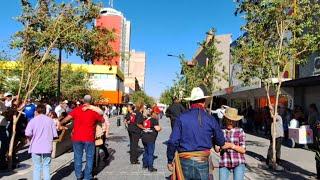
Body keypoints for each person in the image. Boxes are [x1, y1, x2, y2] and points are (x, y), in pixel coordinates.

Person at [167, 87, 225, 180]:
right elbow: (221, 141)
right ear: (204, 102)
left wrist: (170, 160)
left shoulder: (181, 118)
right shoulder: (210, 119)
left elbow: (173, 141)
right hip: (202, 161)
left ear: (190, 103)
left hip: (184, 161)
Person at [60, 95, 104, 180]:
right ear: (91, 101)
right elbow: (102, 120)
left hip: (77, 137)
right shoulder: (94, 112)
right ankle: (87, 176)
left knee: (77, 157)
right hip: (89, 137)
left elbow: (66, 119)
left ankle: (79, 175)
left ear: (83, 101)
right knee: (89, 157)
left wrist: (60, 123)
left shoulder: (76, 110)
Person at [25, 104, 58, 180]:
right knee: (46, 166)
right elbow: (55, 134)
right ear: (45, 111)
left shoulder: (33, 120)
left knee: (37, 167)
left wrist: (30, 138)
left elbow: (27, 133)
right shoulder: (50, 120)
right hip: (47, 146)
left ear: (36, 111)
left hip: (35, 146)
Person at [216, 107, 246, 180]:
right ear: (225, 119)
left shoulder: (240, 131)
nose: (231, 122)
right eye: (229, 120)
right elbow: (217, 149)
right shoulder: (220, 131)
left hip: (238, 161)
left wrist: (231, 145)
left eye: (233, 120)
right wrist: (218, 146)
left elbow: (243, 150)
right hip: (224, 161)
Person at [141, 106, 162, 172]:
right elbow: (157, 129)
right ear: (154, 113)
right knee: (150, 153)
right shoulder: (154, 120)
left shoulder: (147, 119)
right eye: (157, 114)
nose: (158, 115)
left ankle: (144, 165)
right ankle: (150, 167)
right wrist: (161, 128)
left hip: (144, 137)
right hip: (150, 139)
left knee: (146, 151)